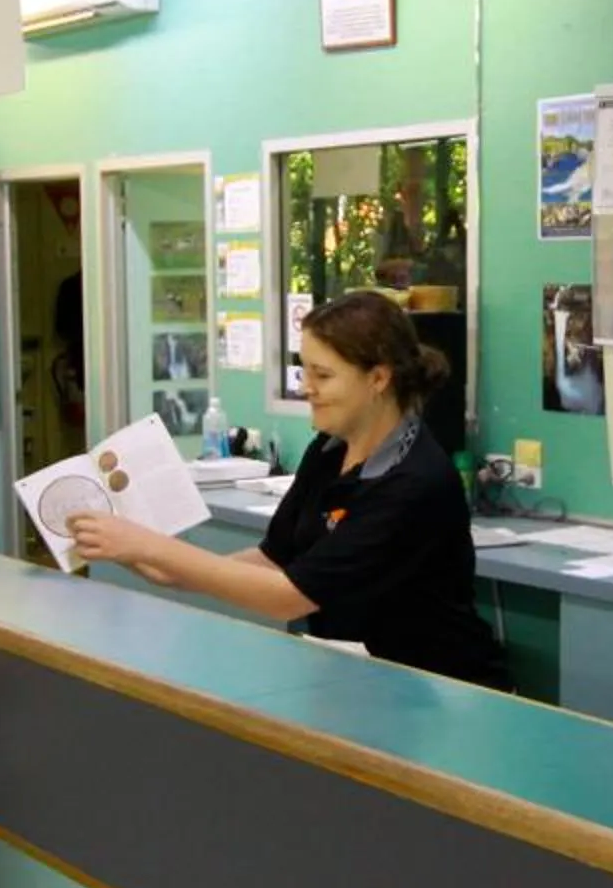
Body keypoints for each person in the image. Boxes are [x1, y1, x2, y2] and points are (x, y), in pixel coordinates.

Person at [66, 290, 506, 687]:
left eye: (323, 375)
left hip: (441, 689)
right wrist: (151, 560)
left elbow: (288, 597)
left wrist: (151, 548)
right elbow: (273, 559)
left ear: (378, 378)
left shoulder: (414, 483)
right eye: (303, 371)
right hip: (362, 679)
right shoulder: (329, 451)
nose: (306, 389)